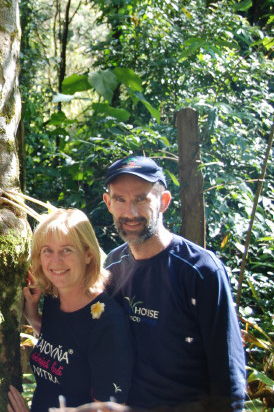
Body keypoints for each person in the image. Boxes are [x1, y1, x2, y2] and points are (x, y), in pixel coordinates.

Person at [101, 155, 246, 411]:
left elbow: (228, 371)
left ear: (164, 201)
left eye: (141, 198)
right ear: (108, 203)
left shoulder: (200, 270)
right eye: (120, 199)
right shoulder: (112, 266)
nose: (130, 212)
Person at [6, 208, 133, 412]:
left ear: (88, 255)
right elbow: (69, 347)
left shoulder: (106, 322)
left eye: (67, 250)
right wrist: (32, 315)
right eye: (47, 250)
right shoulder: (53, 299)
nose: (56, 260)